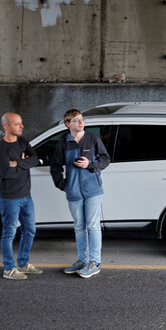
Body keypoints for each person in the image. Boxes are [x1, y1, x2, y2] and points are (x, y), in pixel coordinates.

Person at [50, 109, 110, 279]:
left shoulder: (92, 139)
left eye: (82, 119)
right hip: (74, 192)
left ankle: (95, 262)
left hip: (92, 190)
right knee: (79, 227)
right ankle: (83, 260)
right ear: (68, 124)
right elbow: (55, 167)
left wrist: (89, 164)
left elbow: (105, 159)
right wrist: (63, 185)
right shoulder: (63, 143)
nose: (81, 123)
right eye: (76, 120)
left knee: (92, 226)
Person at [0, 112, 43, 280]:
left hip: (26, 196)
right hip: (9, 198)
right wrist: (23, 164)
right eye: (17, 124)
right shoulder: (0, 149)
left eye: (21, 123)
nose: (22, 126)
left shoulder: (22, 142)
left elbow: (35, 159)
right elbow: (6, 173)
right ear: (6, 127)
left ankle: (23, 263)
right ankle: (9, 269)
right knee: (9, 234)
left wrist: (17, 162)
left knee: (30, 231)